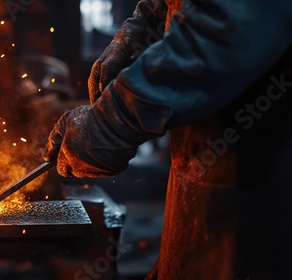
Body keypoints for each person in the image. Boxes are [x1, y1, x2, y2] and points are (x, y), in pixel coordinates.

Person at [43, 0, 292, 279]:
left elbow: (231, 30)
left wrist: (115, 119)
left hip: (264, 198)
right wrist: (155, 18)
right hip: (208, 185)